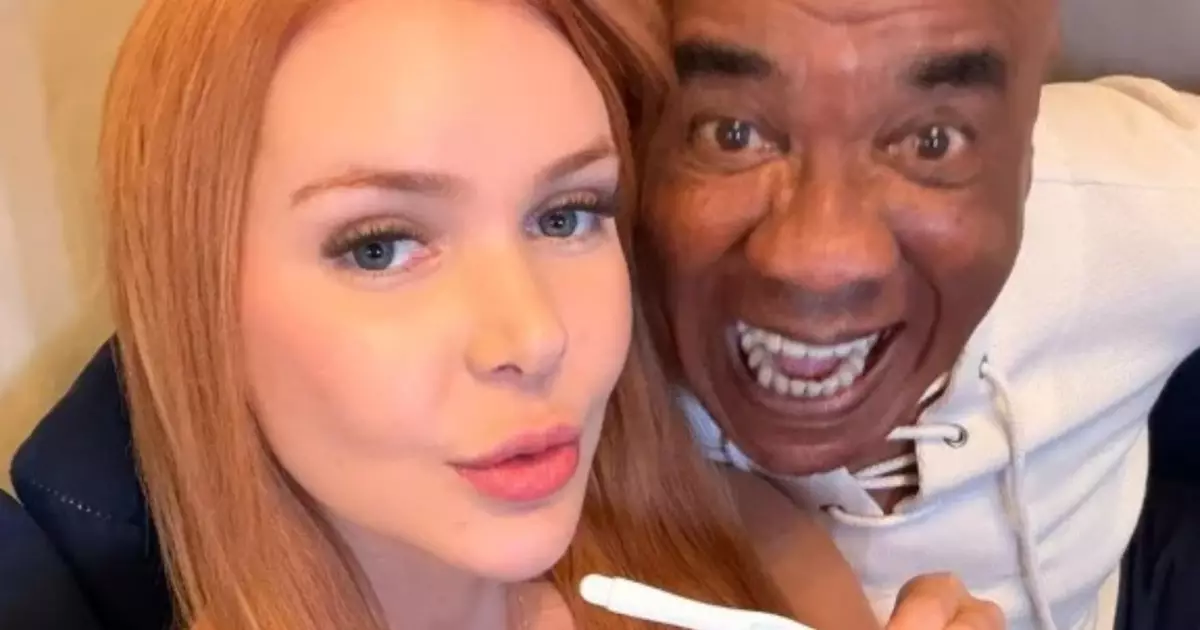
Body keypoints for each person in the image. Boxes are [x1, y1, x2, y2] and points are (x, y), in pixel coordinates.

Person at [66, 0, 1002, 629]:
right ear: (198, 304)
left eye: (566, 216)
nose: (536, 336)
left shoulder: (748, 547)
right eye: (381, 245)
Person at [636, 0, 1200, 629]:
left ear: (1029, 141)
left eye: (933, 143)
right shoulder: (588, 359)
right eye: (730, 133)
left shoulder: (1144, 207)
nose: (820, 261)